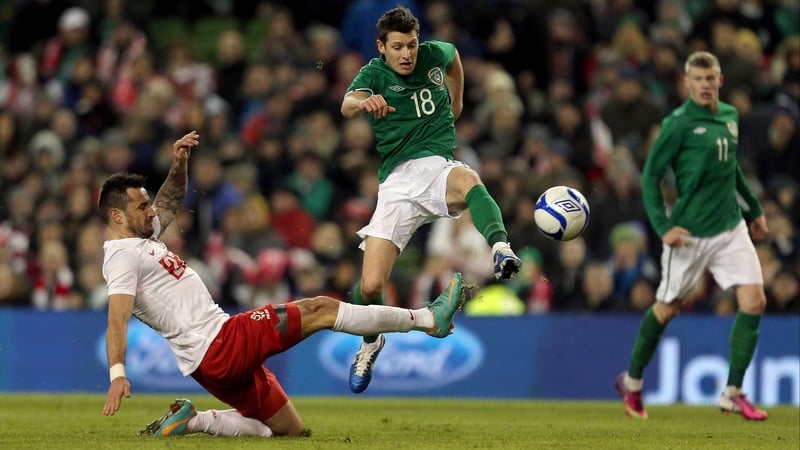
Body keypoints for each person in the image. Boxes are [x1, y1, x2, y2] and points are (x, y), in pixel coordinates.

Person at [99, 131, 467, 437]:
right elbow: (117, 320)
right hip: (221, 343)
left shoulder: (142, 237)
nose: (151, 211)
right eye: (141, 207)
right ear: (116, 215)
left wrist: (179, 163)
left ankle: (194, 421)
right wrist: (118, 375)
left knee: (290, 431)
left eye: (146, 203)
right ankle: (427, 320)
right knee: (321, 308)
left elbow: (170, 200)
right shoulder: (121, 257)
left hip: (208, 364)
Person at [339, 6, 520, 394]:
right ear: (381, 47)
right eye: (398, 47)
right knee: (369, 287)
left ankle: (501, 248)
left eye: (412, 45)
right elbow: (347, 103)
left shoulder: (434, 53)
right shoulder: (374, 74)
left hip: (437, 167)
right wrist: (363, 103)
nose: (407, 54)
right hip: (396, 184)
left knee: (470, 179)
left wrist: (456, 101)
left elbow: (453, 57)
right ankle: (370, 343)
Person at [615, 51, 770, 421]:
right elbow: (650, 177)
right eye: (698, 79)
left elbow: (731, 169)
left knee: (754, 301)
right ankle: (632, 381)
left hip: (730, 227)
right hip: (690, 233)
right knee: (667, 309)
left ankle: (733, 393)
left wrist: (754, 209)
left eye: (710, 78)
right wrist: (663, 227)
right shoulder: (678, 124)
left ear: (720, 81)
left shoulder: (730, 116)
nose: (704, 85)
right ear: (687, 83)